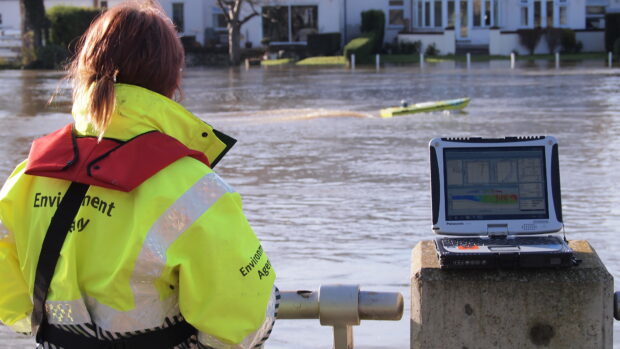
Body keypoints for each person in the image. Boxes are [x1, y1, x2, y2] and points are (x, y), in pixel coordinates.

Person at [0, 2, 277, 348]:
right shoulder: (193, 189)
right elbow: (243, 320)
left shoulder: (25, 178)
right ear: (173, 81)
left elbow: (11, 304)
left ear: (83, 71)